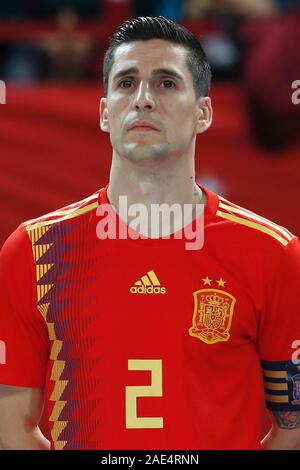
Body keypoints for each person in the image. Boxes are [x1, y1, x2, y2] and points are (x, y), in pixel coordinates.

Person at [0, 16, 300, 451]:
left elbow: (293, 429)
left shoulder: (275, 255)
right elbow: (11, 432)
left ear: (203, 113)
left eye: (165, 84)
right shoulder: (32, 250)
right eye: (125, 83)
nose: (142, 99)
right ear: (105, 113)